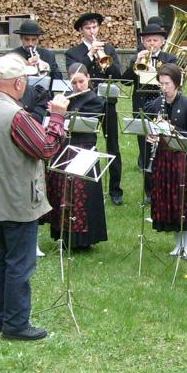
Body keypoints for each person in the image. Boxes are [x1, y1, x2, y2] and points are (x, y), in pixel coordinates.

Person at [0, 55, 69, 341]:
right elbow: (46, 148)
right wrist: (58, 117)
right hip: (15, 197)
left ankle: (1, 318)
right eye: (25, 79)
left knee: (2, 258)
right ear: (17, 83)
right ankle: (16, 324)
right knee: (19, 263)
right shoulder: (16, 115)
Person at [45, 63, 109, 251]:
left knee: (81, 195)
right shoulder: (65, 98)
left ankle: (83, 240)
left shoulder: (96, 100)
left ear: (88, 78)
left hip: (84, 150)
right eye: (74, 83)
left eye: (81, 81)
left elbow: (87, 122)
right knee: (62, 193)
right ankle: (64, 236)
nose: (78, 86)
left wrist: (61, 114)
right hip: (64, 149)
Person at [145, 65, 187, 258]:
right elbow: (150, 126)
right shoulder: (156, 104)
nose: (164, 88)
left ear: (177, 83)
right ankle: (178, 244)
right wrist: (152, 135)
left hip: (181, 158)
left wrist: (173, 130)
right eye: (161, 84)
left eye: (167, 84)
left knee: (184, 200)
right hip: (163, 158)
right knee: (171, 200)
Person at [65, 12, 124, 205]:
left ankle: (115, 190)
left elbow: (117, 75)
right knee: (84, 142)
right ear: (81, 31)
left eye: (95, 27)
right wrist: (90, 55)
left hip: (107, 101)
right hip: (85, 104)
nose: (92, 31)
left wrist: (104, 57)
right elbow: (75, 74)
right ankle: (82, 183)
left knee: (113, 144)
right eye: (88, 28)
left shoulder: (108, 49)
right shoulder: (73, 53)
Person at [125, 18, 178, 198]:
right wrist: (136, 64)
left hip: (163, 105)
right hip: (142, 107)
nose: (152, 43)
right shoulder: (137, 57)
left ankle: (165, 186)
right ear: (143, 42)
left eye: (155, 40)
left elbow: (174, 81)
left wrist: (154, 73)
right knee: (145, 147)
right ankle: (149, 191)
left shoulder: (169, 58)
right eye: (148, 40)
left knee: (164, 146)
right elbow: (125, 81)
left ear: (162, 41)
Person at [5, 20, 62, 122]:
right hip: (20, 100)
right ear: (21, 38)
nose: (30, 43)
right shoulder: (12, 55)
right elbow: (7, 79)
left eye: (33, 40)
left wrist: (48, 68)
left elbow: (58, 80)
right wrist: (25, 66)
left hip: (43, 101)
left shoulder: (48, 55)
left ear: (38, 39)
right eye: (27, 39)